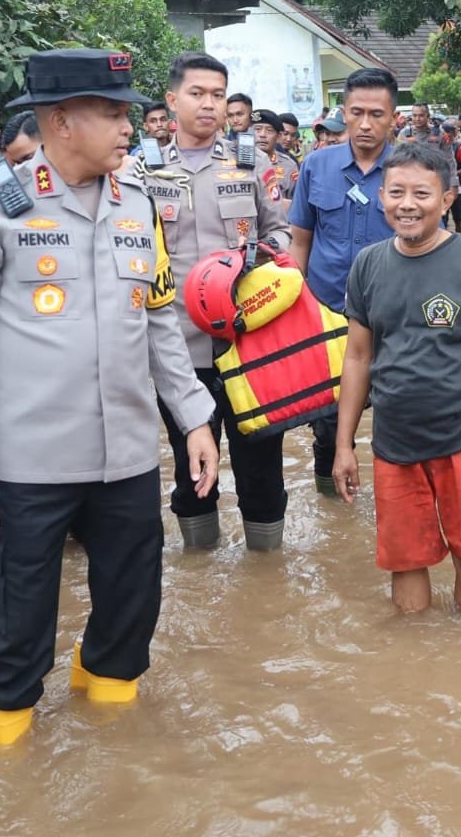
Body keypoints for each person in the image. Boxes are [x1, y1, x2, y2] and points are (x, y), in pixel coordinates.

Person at [0, 48, 217, 745]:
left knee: (129, 611)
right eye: (113, 113)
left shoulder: (136, 204)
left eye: (128, 112)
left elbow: (157, 319)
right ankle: (8, 777)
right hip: (29, 463)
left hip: (125, 454)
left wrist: (195, 420)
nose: (130, 126)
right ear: (61, 121)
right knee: (21, 627)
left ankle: (114, 756)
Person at [332, 143, 461, 612]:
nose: (407, 205)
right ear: (381, 196)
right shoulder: (367, 264)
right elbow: (358, 358)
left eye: (422, 194)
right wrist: (344, 445)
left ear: (447, 199)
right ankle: (416, 671)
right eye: (396, 193)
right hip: (395, 442)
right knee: (405, 562)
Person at [142, 53, 291, 551]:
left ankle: (266, 575)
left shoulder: (252, 164)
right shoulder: (144, 172)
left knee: (262, 471)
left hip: (250, 346)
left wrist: (271, 268)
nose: (209, 105)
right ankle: (199, 564)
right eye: (197, 94)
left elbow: (280, 232)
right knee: (190, 474)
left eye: (218, 95)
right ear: (172, 100)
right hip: (180, 354)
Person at [288, 68, 400, 498]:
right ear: (344, 113)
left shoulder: (411, 169)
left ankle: (395, 498)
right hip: (329, 316)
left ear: (393, 118)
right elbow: (300, 242)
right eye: (357, 113)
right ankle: (332, 504)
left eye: (377, 114)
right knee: (329, 422)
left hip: (395, 317)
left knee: (396, 413)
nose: (366, 124)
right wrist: (298, 309)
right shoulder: (317, 165)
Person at [251, 108, 298, 202]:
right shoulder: (235, 162)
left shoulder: (289, 166)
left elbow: (297, 203)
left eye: (269, 130)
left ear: (279, 136)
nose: (262, 135)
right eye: (257, 129)